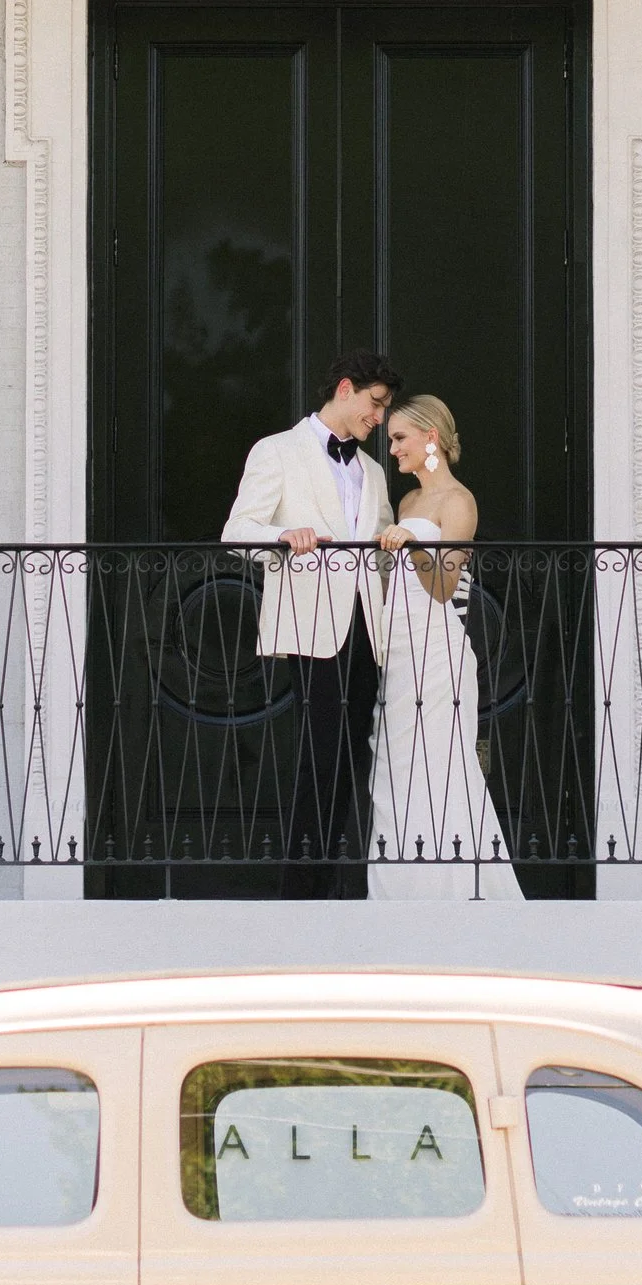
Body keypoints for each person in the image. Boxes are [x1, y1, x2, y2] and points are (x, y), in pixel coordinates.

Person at [220, 351, 396, 898]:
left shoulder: (371, 471)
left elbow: (384, 547)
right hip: (312, 624)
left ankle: (333, 883)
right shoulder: (277, 451)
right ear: (346, 388)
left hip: (369, 629)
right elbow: (236, 530)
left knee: (351, 754)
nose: (380, 418)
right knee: (320, 752)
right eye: (376, 403)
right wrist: (282, 535)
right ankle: (303, 891)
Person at [368, 398, 522, 902]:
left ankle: (456, 892)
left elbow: (442, 586)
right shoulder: (407, 503)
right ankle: (401, 893)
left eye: (399, 439)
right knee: (396, 774)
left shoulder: (459, 503)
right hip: (398, 652)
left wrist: (413, 549)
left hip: (438, 655)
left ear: (430, 437)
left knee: (441, 767)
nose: (391, 450)